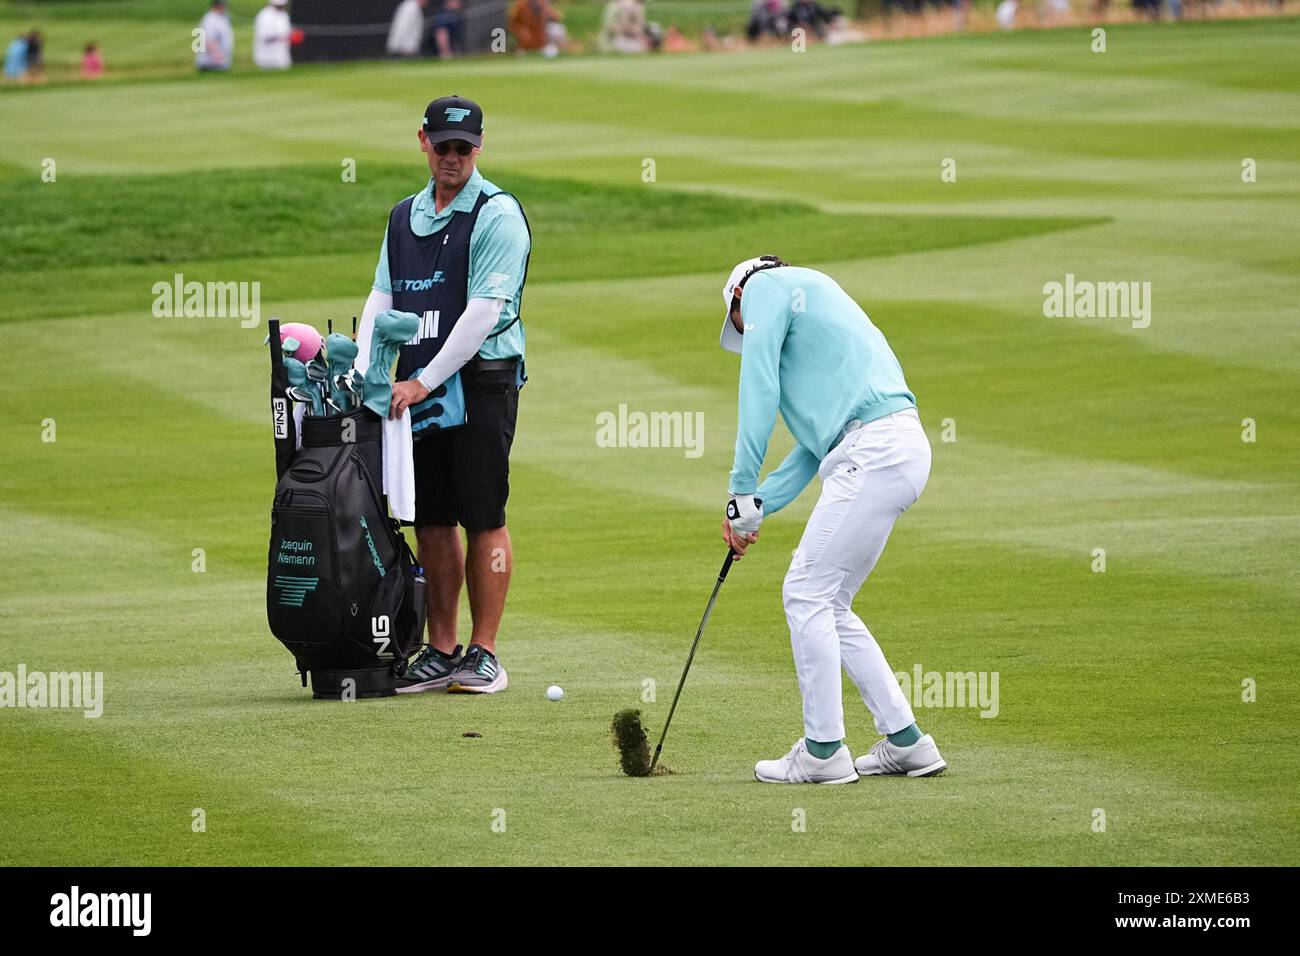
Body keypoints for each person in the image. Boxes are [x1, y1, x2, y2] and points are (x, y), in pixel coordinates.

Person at [717, 256, 947, 784]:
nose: (746, 335)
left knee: (804, 592)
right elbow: (811, 450)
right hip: (895, 447)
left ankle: (822, 751)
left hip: (873, 449)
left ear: (737, 297)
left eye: (738, 323)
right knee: (831, 602)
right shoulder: (818, 299)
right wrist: (755, 509)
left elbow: (758, 392)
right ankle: (907, 742)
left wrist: (738, 490)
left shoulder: (765, 287)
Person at [356, 96, 532, 695]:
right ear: (423, 143)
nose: (451, 157)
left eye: (463, 148)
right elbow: (383, 297)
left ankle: (484, 653)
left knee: (482, 515)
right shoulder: (403, 215)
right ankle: (441, 649)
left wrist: (423, 381)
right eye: (442, 146)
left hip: (481, 380)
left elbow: (482, 314)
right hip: (412, 384)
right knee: (431, 516)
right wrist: (364, 371)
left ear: (478, 149)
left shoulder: (497, 214)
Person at [253, 0, 293, 70]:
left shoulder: (284, 14)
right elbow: (265, 37)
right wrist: (282, 37)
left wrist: (291, 36)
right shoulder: (265, 15)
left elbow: (287, 31)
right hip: (267, 57)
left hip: (282, 56)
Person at [195, 1, 234, 72]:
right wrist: (218, 56)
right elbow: (209, 39)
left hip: (219, 62)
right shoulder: (210, 19)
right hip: (210, 63)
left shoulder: (222, 18)